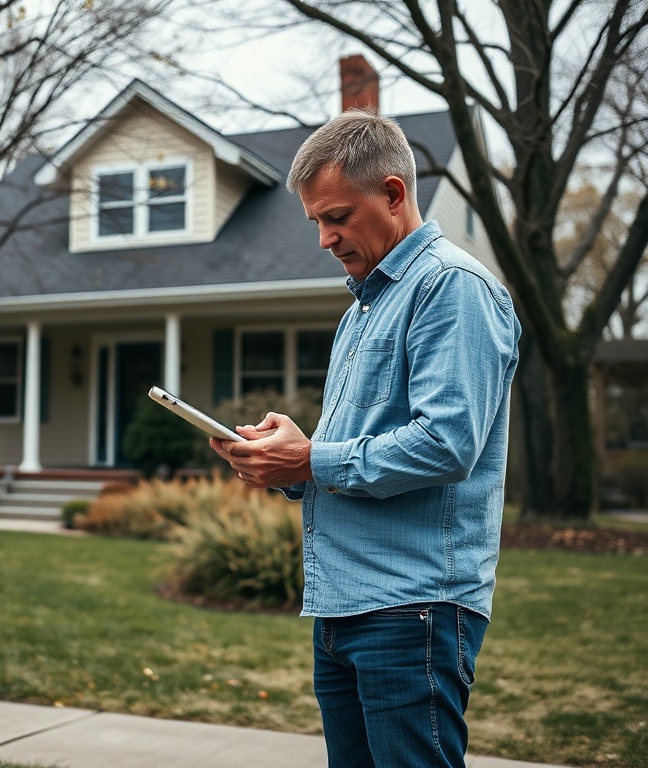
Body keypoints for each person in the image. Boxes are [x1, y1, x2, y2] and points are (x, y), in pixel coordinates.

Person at [210, 110, 521, 768]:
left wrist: (310, 459)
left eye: (338, 216)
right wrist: (286, 463)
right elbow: (350, 455)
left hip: (412, 608)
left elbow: (445, 444)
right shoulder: (364, 309)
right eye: (316, 222)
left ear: (394, 194)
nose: (325, 238)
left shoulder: (452, 288)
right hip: (345, 606)